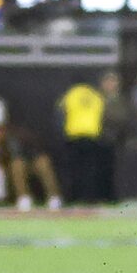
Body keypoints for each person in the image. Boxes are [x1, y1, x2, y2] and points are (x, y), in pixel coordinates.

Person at [57, 73, 109, 205]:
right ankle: (90, 198)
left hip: (74, 136)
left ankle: (73, 198)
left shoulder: (70, 94)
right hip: (92, 137)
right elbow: (104, 115)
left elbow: (60, 112)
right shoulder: (96, 95)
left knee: (74, 170)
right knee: (90, 170)